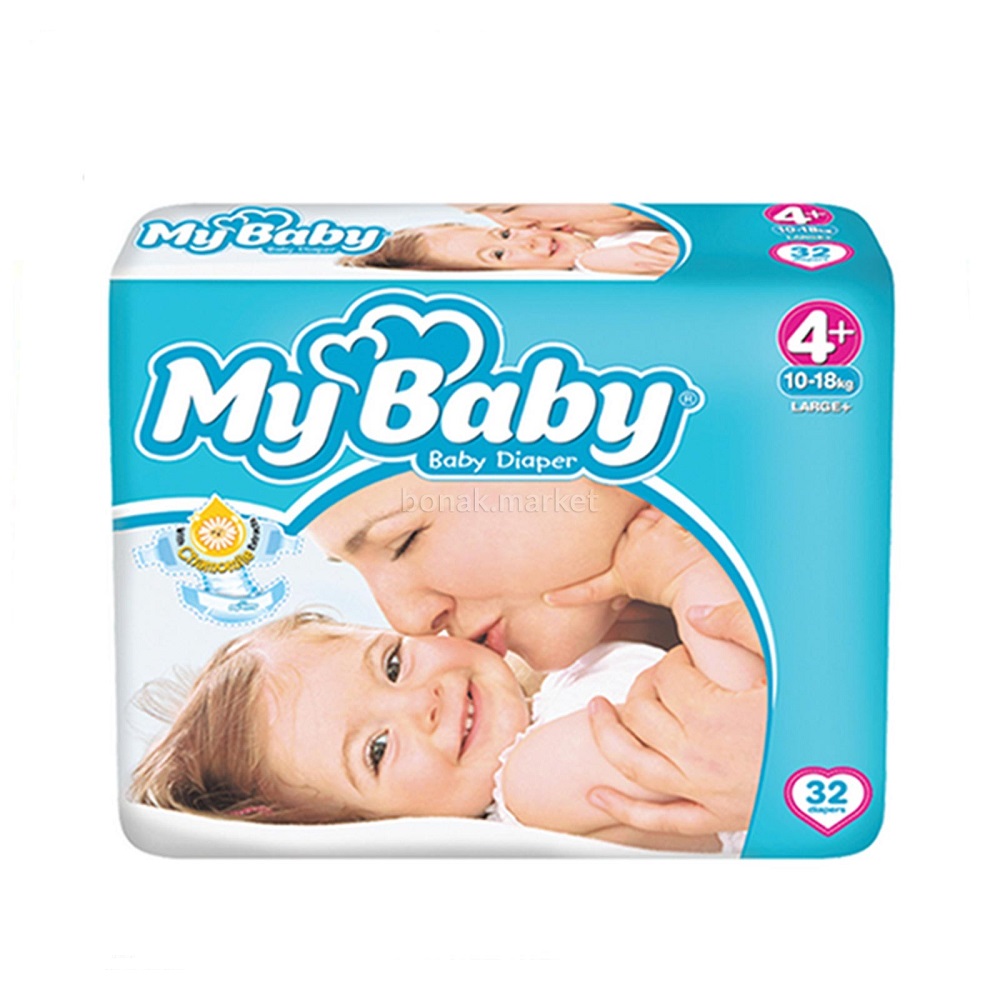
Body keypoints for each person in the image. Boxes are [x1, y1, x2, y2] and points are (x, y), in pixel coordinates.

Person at [130, 506, 760, 853]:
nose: (422, 703)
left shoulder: (554, 688)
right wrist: (683, 578)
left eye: (392, 664)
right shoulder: (531, 786)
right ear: (385, 831)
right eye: (377, 749)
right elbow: (720, 728)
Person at [339, 222, 679, 275]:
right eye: (499, 255)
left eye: (503, 234)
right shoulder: (592, 260)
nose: (524, 241)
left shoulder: (598, 231)